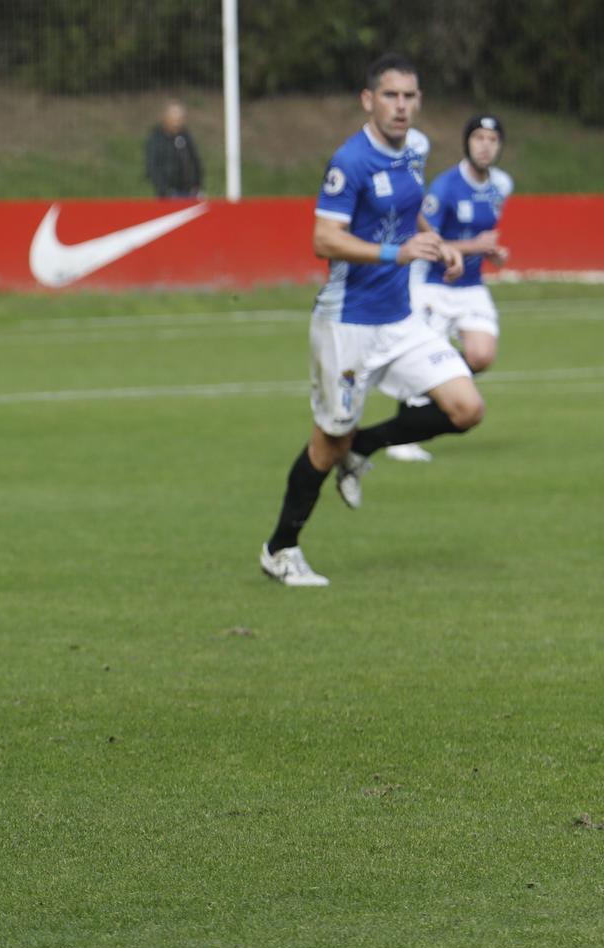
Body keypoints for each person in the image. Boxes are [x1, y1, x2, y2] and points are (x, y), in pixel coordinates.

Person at [259, 53, 484, 587]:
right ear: (368, 100)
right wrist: (395, 255)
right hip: (348, 323)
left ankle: (366, 445)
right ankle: (280, 548)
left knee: (466, 407)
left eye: (409, 96)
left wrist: (440, 243)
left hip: (399, 320)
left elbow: (410, 215)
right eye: (390, 95)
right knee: (327, 441)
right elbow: (323, 238)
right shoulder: (351, 162)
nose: (401, 106)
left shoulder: (420, 148)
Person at [333, 113, 512, 498]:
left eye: (493, 140)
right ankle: (403, 431)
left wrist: (490, 252)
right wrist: (472, 247)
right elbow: (423, 237)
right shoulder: (444, 187)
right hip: (434, 286)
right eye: (478, 138)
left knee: (481, 355)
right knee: (423, 361)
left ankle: (429, 395)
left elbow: (476, 237)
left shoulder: (501, 186)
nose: (485, 145)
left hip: (471, 286)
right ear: (467, 143)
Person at [144, 100, 204, 199]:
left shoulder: (185, 136)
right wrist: (165, 190)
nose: (177, 123)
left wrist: (197, 184)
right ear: (166, 118)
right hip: (169, 194)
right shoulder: (157, 139)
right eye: (174, 120)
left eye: (180, 119)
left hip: (190, 192)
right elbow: (152, 167)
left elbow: (195, 160)